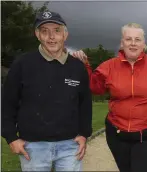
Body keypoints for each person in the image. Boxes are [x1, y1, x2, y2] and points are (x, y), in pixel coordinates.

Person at [72, 23, 147, 172]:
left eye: (137, 39)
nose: (133, 43)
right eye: (128, 39)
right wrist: (84, 65)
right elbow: (95, 88)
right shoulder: (109, 66)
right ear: (122, 43)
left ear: (143, 43)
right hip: (117, 135)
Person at [1, 11, 92, 171]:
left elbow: (85, 105)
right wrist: (11, 138)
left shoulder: (77, 67)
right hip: (32, 147)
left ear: (65, 34)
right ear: (37, 34)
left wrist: (84, 134)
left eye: (57, 30)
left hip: (70, 146)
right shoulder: (22, 64)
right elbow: (7, 104)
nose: (51, 37)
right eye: (45, 31)